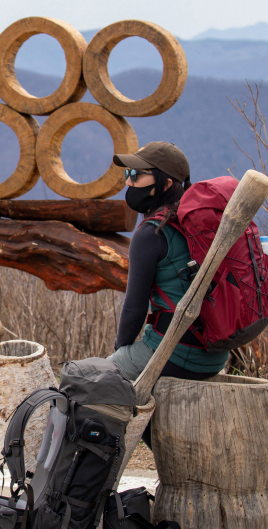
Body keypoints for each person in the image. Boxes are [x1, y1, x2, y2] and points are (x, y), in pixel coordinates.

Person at [107, 142, 229, 384]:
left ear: (165, 183)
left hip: (173, 353)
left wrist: (120, 353)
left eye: (135, 175)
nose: (128, 183)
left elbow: (134, 309)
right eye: (126, 174)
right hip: (215, 355)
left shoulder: (152, 233)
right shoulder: (200, 224)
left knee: (83, 379)